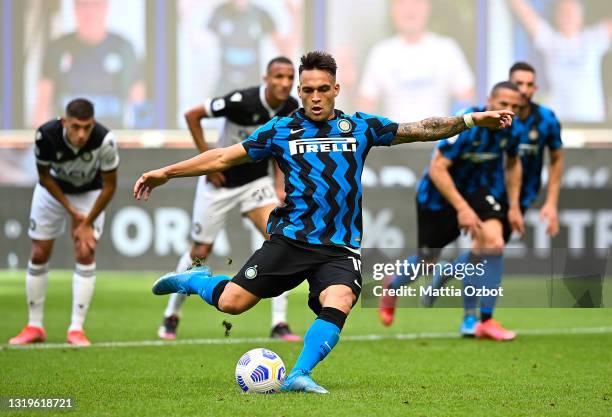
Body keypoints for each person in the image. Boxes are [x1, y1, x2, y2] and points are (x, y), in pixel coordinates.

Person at [134, 51, 513, 393]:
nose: (315, 97)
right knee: (233, 304)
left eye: (322, 89)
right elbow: (220, 158)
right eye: (308, 90)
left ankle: (299, 374)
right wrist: (166, 172)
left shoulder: (361, 127)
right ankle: (194, 279)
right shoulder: (280, 130)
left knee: (342, 298)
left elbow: (420, 129)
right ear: (300, 91)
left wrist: (470, 119)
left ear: (336, 89)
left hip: (339, 248)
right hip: (290, 241)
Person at [157, 57, 301, 342]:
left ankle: (279, 323)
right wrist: (209, 162)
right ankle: (171, 314)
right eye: (278, 77)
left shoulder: (291, 107)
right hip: (220, 183)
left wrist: (278, 182)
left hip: (255, 183)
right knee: (200, 250)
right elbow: (192, 114)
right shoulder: (241, 101)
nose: (284, 83)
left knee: (280, 241)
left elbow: (280, 147)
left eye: (289, 78)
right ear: (266, 78)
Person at [379, 82, 524, 341]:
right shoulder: (468, 123)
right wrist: (462, 209)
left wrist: (513, 206)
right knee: (426, 260)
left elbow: (513, 163)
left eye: (515, 106)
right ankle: (393, 284)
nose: (509, 110)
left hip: (478, 191)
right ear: (489, 100)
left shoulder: (512, 128)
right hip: (438, 196)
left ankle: (479, 320)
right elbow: (437, 169)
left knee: (493, 243)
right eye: (504, 104)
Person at [10, 98, 119, 347]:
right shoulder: (46, 135)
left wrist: (86, 221)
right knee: (39, 252)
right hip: (52, 192)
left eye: (87, 127)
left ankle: (76, 329)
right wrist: (72, 213)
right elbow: (45, 178)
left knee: (85, 250)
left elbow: (110, 186)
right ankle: (34, 325)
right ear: (65, 121)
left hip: (90, 194)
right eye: (76, 127)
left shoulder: (105, 141)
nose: (81, 134)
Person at [34, 0, 145, 128]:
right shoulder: (57, 48)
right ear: (74, 8)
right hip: (66, 143)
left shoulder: (124, 48)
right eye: (83, 5)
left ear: (105, 7)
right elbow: (42, 105)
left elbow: (139, 103)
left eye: (96, 4)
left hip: (111, 141)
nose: (90, 12)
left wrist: (138, 143)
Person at [357, 0, 474, 121]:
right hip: (395, 138)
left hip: (439, 137)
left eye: (416, 2)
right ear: (393, 10)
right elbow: (365, 105)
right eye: (402, 3)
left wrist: (455, 134)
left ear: (427, 7)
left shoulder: (447, 49)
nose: (409, 9)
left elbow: (466, 97)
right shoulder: (381, 53)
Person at [509, 0, 612, 122]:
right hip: (560, 119)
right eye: (563, 12)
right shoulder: (551, 40)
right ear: (557, 16)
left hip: (592, 119)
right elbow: (524, 11)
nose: (568, 16)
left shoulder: (593, 38)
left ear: (581, 15)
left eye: (572, 11)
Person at [509, 62, 563, 229]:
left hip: (526, 193)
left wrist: (551, 203)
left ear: (535, 88)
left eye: (529, 85)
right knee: (492, 241)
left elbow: (556, 159)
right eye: (518, 84)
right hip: (493, 190)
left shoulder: (546, 119)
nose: (524, 90)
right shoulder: (496, 118)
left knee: (495, 243)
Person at [207, 0, 300, 95]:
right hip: (224, 90)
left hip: (252, 90)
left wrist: (295, 17)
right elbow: (199, 47)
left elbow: (286, 52)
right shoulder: (219, 12)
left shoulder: (261, 14)